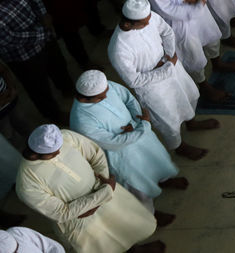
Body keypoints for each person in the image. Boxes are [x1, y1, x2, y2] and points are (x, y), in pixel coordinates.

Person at [16, 125, 160, 253]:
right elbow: (62, 212)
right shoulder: (27, 182)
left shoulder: (65, 136)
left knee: (122, 227)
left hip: (104, 194)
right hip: (80, 219)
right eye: (54, 152)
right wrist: (103, 193)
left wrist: (103, 183)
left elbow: (95, 155)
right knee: (104, 245)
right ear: (35, 154)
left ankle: (135, 249)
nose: (60, 152)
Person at [106, 0, 211, 158]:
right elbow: (134, 80)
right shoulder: (119, 48)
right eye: (143, 23)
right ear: (128, 23)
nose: (148, 24)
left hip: (169, 66)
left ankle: (191, 122)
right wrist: (165, 69)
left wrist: (169, 55)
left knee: (188, 95)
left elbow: (166, 32)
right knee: (168, 118)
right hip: (152, 87)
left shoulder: (148, 17)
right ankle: (179, 146)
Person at [69, 70, 184, 205]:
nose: (107, 95)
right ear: (84, 98)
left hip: (139, 132)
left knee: (155, 160)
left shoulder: (105, 86)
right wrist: (144, 125)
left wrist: (137, 119)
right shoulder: (81, 120)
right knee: (137, 184)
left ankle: (164, 180)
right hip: (122, 154)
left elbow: (128, 99)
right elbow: (113, 143)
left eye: (106, 90)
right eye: (101, 97)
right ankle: (151, 214)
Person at [0, 0, 75, 121]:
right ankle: (54, 115)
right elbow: (10, 38)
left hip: (43, 34)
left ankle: (68, 89)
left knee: (58, 65)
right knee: (38, 87)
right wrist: (42, 32)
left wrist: (44, 15)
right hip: (22, 55)